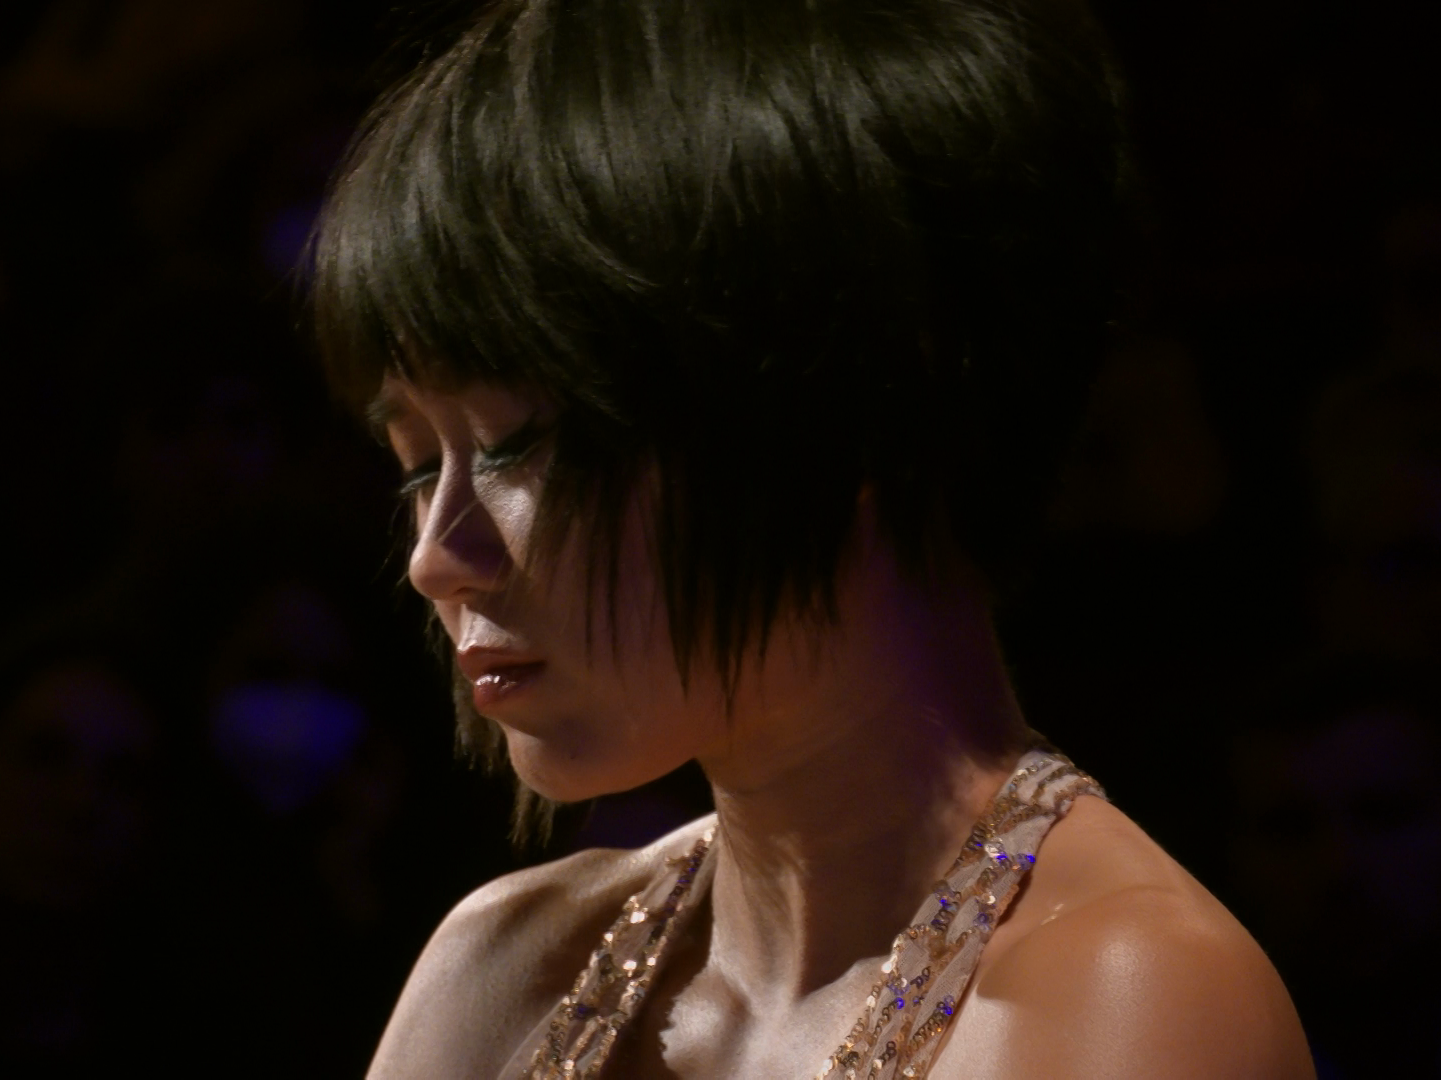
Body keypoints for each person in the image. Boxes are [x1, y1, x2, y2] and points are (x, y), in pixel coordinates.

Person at [307, 0, 1313, 1076]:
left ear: (848, 408)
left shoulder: (1127, 994)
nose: (435, 557)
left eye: (523, 446)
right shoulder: (505, 966)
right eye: (419, 463)